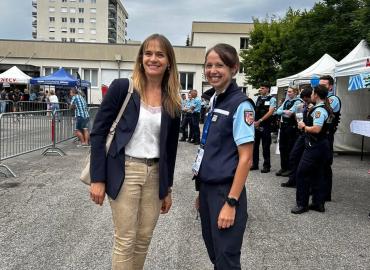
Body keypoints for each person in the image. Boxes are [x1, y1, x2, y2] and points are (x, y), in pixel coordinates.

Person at [89, 34, 181, 270]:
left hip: (156, 173)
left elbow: (170, 148)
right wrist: (98, 178)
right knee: (125, 239)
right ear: (141, 58)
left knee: (143, 239)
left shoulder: (172, 100)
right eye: (148, 53)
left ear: (169, 61)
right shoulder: (123, 88)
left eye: (160, 54)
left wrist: (167, 188)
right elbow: (98, 132)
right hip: (125, 170)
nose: (153, 59)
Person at [193, 43, 254, 270]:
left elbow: (246, 159)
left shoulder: (241, 105)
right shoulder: (215, 100)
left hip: (226, 191)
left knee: (227, 259)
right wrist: (202, 192)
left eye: (219, 65)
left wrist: (231, 202)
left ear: (234, 68)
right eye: (209, 65)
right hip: (209, 190)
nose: (213, 70)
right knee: (215, 254)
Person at [291, 85, 333, 214]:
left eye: (313, 93)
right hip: (322, 144)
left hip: (315, 145)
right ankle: (318, 203)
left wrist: (304, 127)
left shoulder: (319, 110)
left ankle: (302, 204)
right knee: (318, 174)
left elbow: (316, 129)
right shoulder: (324, 108)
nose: (311, 95)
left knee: (302, 173)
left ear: (316, 95)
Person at [281, 86, 313, 187]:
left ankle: (306, 184)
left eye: (305, 97)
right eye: (302, 97)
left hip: (311, 134)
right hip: (301, 133)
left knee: (308, 161)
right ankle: (292, 180)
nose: (303, 99)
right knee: (293, 156)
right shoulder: (300, 105)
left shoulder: (315, 107)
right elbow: (296, 117)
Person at [319, 75, 341, 202]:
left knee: (325, 164)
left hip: (327, 135)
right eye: (320, 84)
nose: (320, 87)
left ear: (330, 86)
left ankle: (326, 194)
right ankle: (318, 190)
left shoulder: (333, 99)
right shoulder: (324, 99)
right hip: (320, 135)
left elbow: (326, 112)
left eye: (324, 85)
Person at [275, 85, 303, 176]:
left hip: (292, 127)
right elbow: (277, 111)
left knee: (290, 148)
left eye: (290, 91)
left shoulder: (298, 101)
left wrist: (284, 111)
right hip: (283, 126)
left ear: (295, 92)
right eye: (288, 91)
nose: (288, 93)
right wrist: (284, 111)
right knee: (282, 147)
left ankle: (290, 169)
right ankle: (283, 167)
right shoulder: (286, 101)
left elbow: (291, 113)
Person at [251, 83, 277, 173]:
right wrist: (253, 121)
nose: (260, 89)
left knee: (265, 146)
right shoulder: (258, 98)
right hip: (256, 124)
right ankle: (255, 164)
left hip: (266, 125)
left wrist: (260, 120)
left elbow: (270, 112)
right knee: (255, 146)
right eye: (260, 88)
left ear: (267, 89)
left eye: (262, 88)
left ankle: (267, 166)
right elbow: (254, 110)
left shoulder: (272, 99)